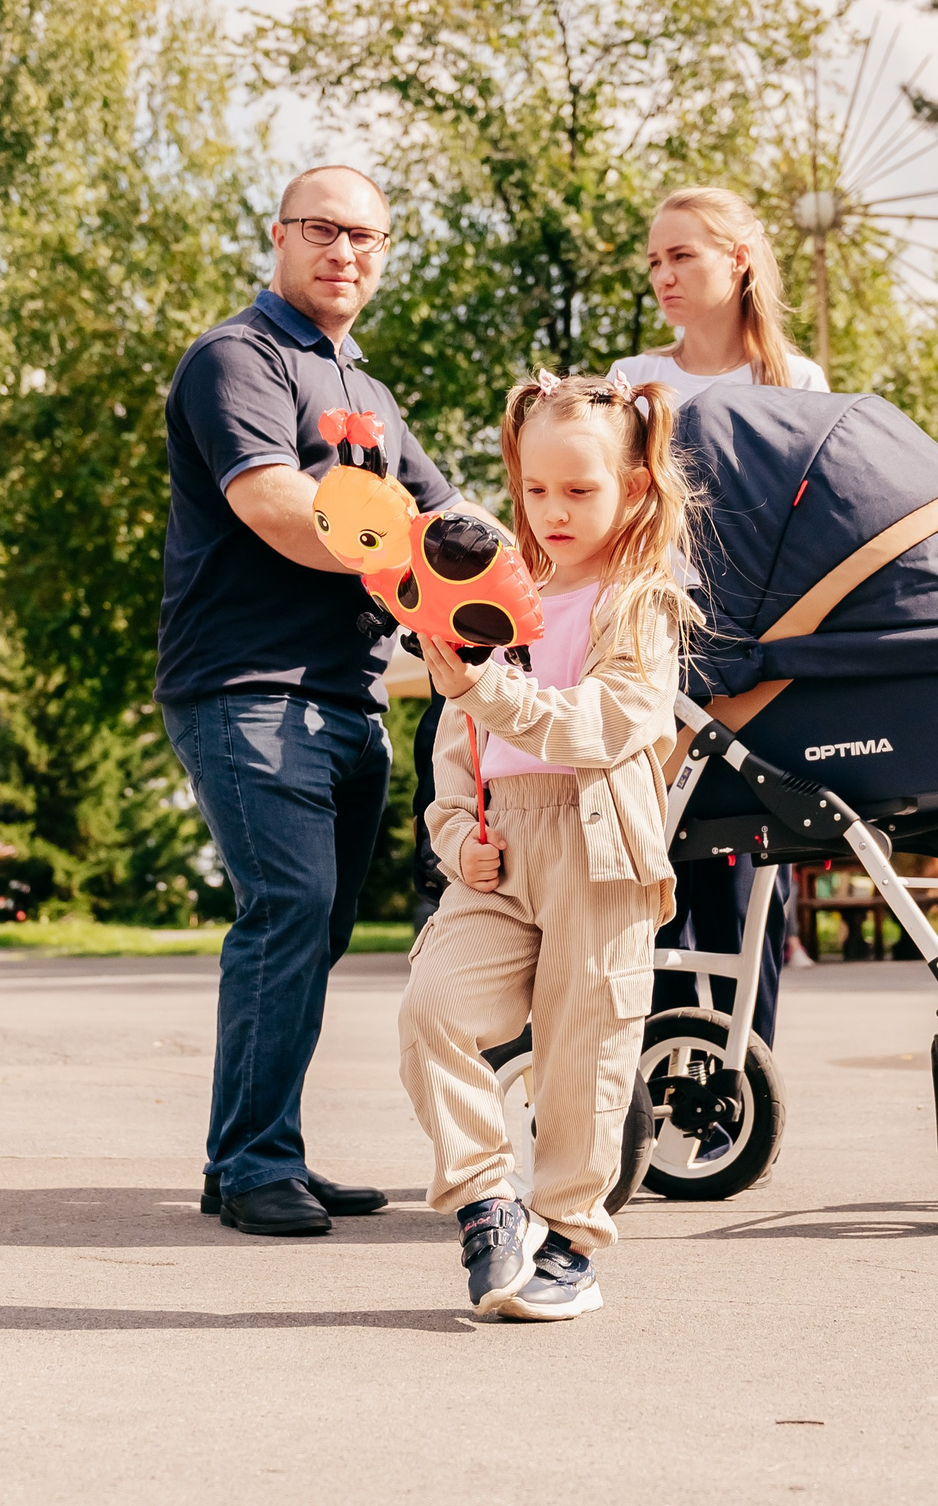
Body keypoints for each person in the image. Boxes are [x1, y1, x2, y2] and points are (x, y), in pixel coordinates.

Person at [157, 164, 467, 1237]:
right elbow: (277, 504)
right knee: (285, 910)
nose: (345, 251)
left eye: (366, 237)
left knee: (315, 927)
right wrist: (430, 552)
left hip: (350, 695)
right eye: (323, 230)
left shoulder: (368, 394)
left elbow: (452, 517)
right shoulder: (234, 360)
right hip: (247, 688)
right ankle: (250, 1163)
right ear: (279, 235)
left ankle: (258, 1145)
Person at [401, 369, 699, 1322]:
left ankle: (570, 1239)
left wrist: (486, 690)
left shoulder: (640, 602)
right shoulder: (496, 591)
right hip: (501, 853)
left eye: (580, 490)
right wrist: (456, 838)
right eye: (535, 489)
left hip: (598, 848)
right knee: (433, 1009)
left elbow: (605, 722)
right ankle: (487, 1201)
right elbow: (457, 752)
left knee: (585, 1052)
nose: (553, 511)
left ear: (635, 487)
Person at [613, 186, 828, 1057]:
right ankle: (651, 1082)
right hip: (653, 643)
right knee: (656, 868)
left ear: (737, 261)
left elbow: (812, 527)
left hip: (756, 652)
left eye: (682, 256)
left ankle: (741, 1076)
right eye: (655, 260)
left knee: (745, 886)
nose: (662, 275)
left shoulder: (796, 383)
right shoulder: (632, 382)